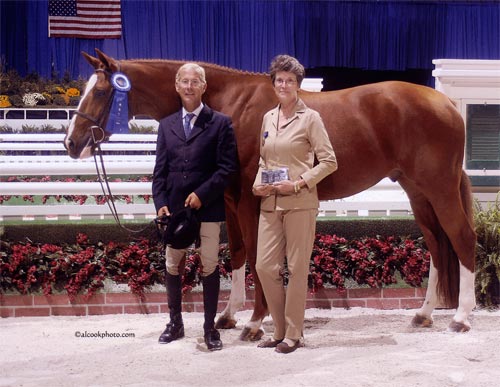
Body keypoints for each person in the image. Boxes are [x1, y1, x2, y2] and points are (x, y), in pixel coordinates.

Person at [252, 55, 338, 354]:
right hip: (270, 203)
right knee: (265, 266)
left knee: (297, 269)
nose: (284, 85)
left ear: (298, 85)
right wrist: (257, 183)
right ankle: (277, 329)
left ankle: (293, 333)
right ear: (273, 83)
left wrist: (299, 182)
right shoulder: (267, 117)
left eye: (290, 81)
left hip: (300, 202)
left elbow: (329, 161)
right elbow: (265, 158)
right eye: (279, 80)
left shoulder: (310, 118)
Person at [152, 63, 238, 351]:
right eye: (184, 81)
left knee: (209, 265)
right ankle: (175, 323)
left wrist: (202, 194)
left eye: (195, 82)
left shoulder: (220, 123)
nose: (189, 87)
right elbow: (160, 172)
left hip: (209, 208)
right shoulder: (166, 126)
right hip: (176, 212)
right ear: (177, 86)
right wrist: (161, 203)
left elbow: (227, 169)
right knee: (172, 265)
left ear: (204, 87)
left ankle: (209, 328)